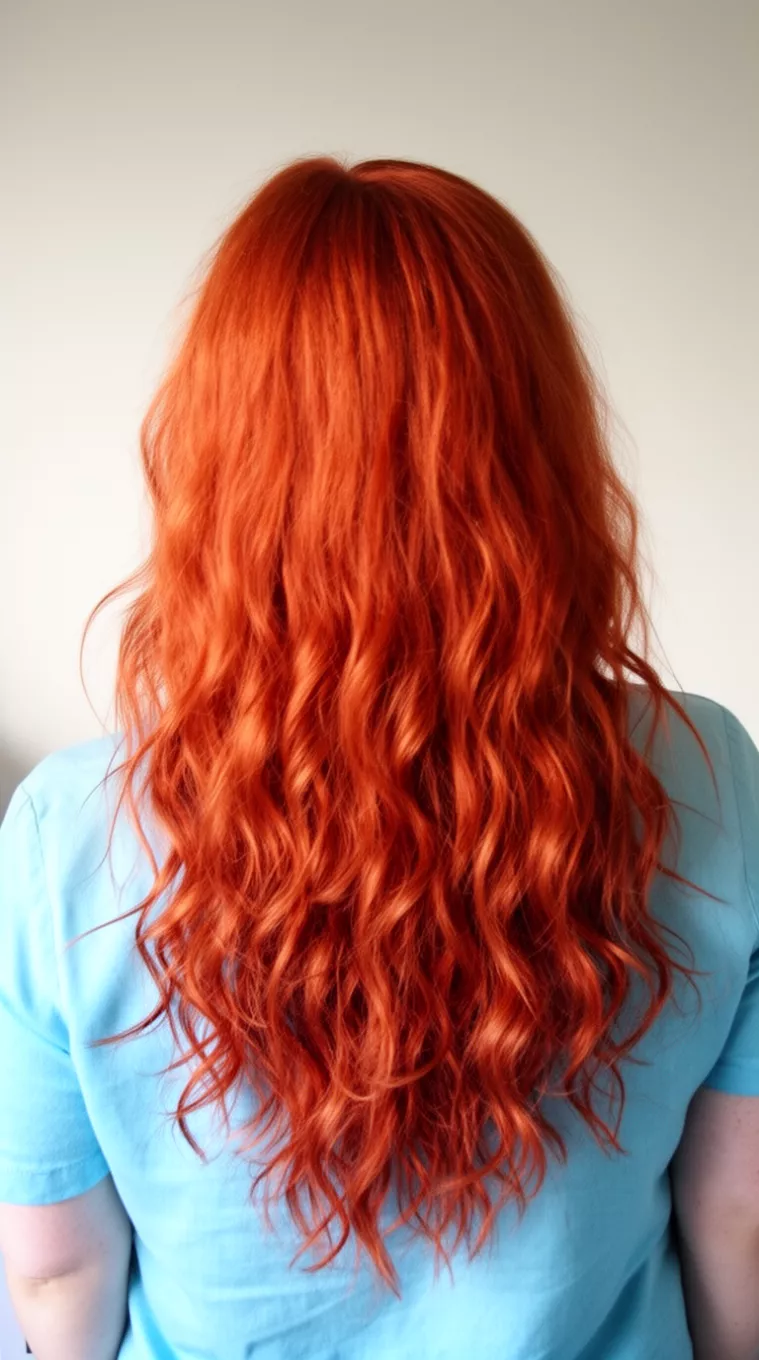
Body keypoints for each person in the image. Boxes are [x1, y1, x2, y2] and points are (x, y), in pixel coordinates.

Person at [0, 155, 757, 1360]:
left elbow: (55, 1271)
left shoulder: (67, 835)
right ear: (540, 455)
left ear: (221, 464)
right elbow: (736, 1210)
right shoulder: (712, 776)